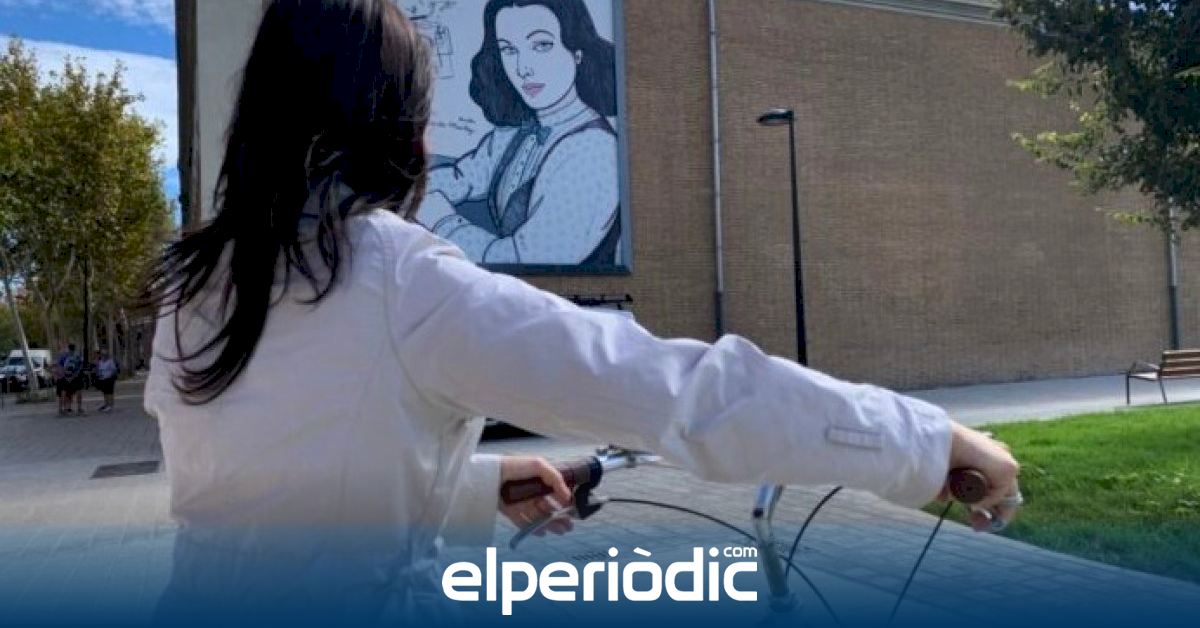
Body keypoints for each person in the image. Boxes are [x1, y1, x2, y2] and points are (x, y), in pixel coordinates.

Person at [141, 1, 1019, 624]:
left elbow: (262, 491)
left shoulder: (196, 283)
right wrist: (926, 441)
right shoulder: (400, 280)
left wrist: (476, 485)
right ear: (399, 127)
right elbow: (679, 392)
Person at [415, 0, 621, 266]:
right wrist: (410, 189)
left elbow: (522, 259)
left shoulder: (594, 151)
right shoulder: (516, 131)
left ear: (577, 53)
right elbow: (462, 178)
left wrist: (440, 219)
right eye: (509, 50)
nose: (523, 68)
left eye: (541, 45)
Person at [56, 342, 84, 416]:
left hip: (71, 377)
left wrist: (69, 376)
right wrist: (68, 376)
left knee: (68, 393)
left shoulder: (69, 356)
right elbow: (79, 367)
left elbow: (79, 367)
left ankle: (68, 409)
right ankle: (72, 408)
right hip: (70, 377)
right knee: (67, 393)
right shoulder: (68, 356)